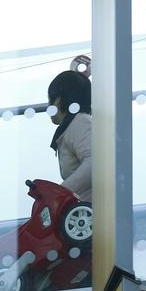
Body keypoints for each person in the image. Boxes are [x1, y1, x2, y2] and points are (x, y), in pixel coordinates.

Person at [47, 70, 92, 202]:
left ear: (58, 101)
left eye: (50, 99)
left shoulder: (80, 123)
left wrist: (59, 194)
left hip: (90, 214)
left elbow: (93, 162)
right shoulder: (74, 125)